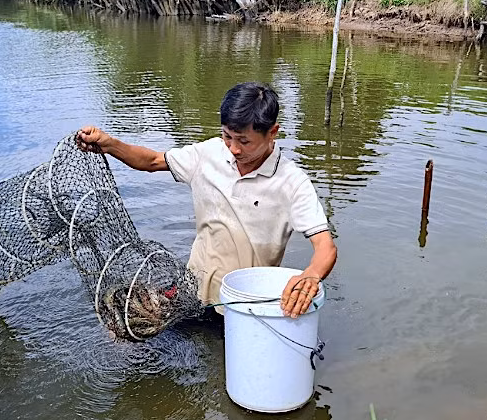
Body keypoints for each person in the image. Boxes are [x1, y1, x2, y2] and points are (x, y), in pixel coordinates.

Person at [76, 82, 337, 318]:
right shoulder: (208, 153)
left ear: (272, 133)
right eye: (227, 136)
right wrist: (109, 144)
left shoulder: (292, 182)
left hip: (243, 305)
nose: (234, 149)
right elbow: (152, 161)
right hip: (191, 295)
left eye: (244, 141)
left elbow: (325, 247)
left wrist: (310, 276)